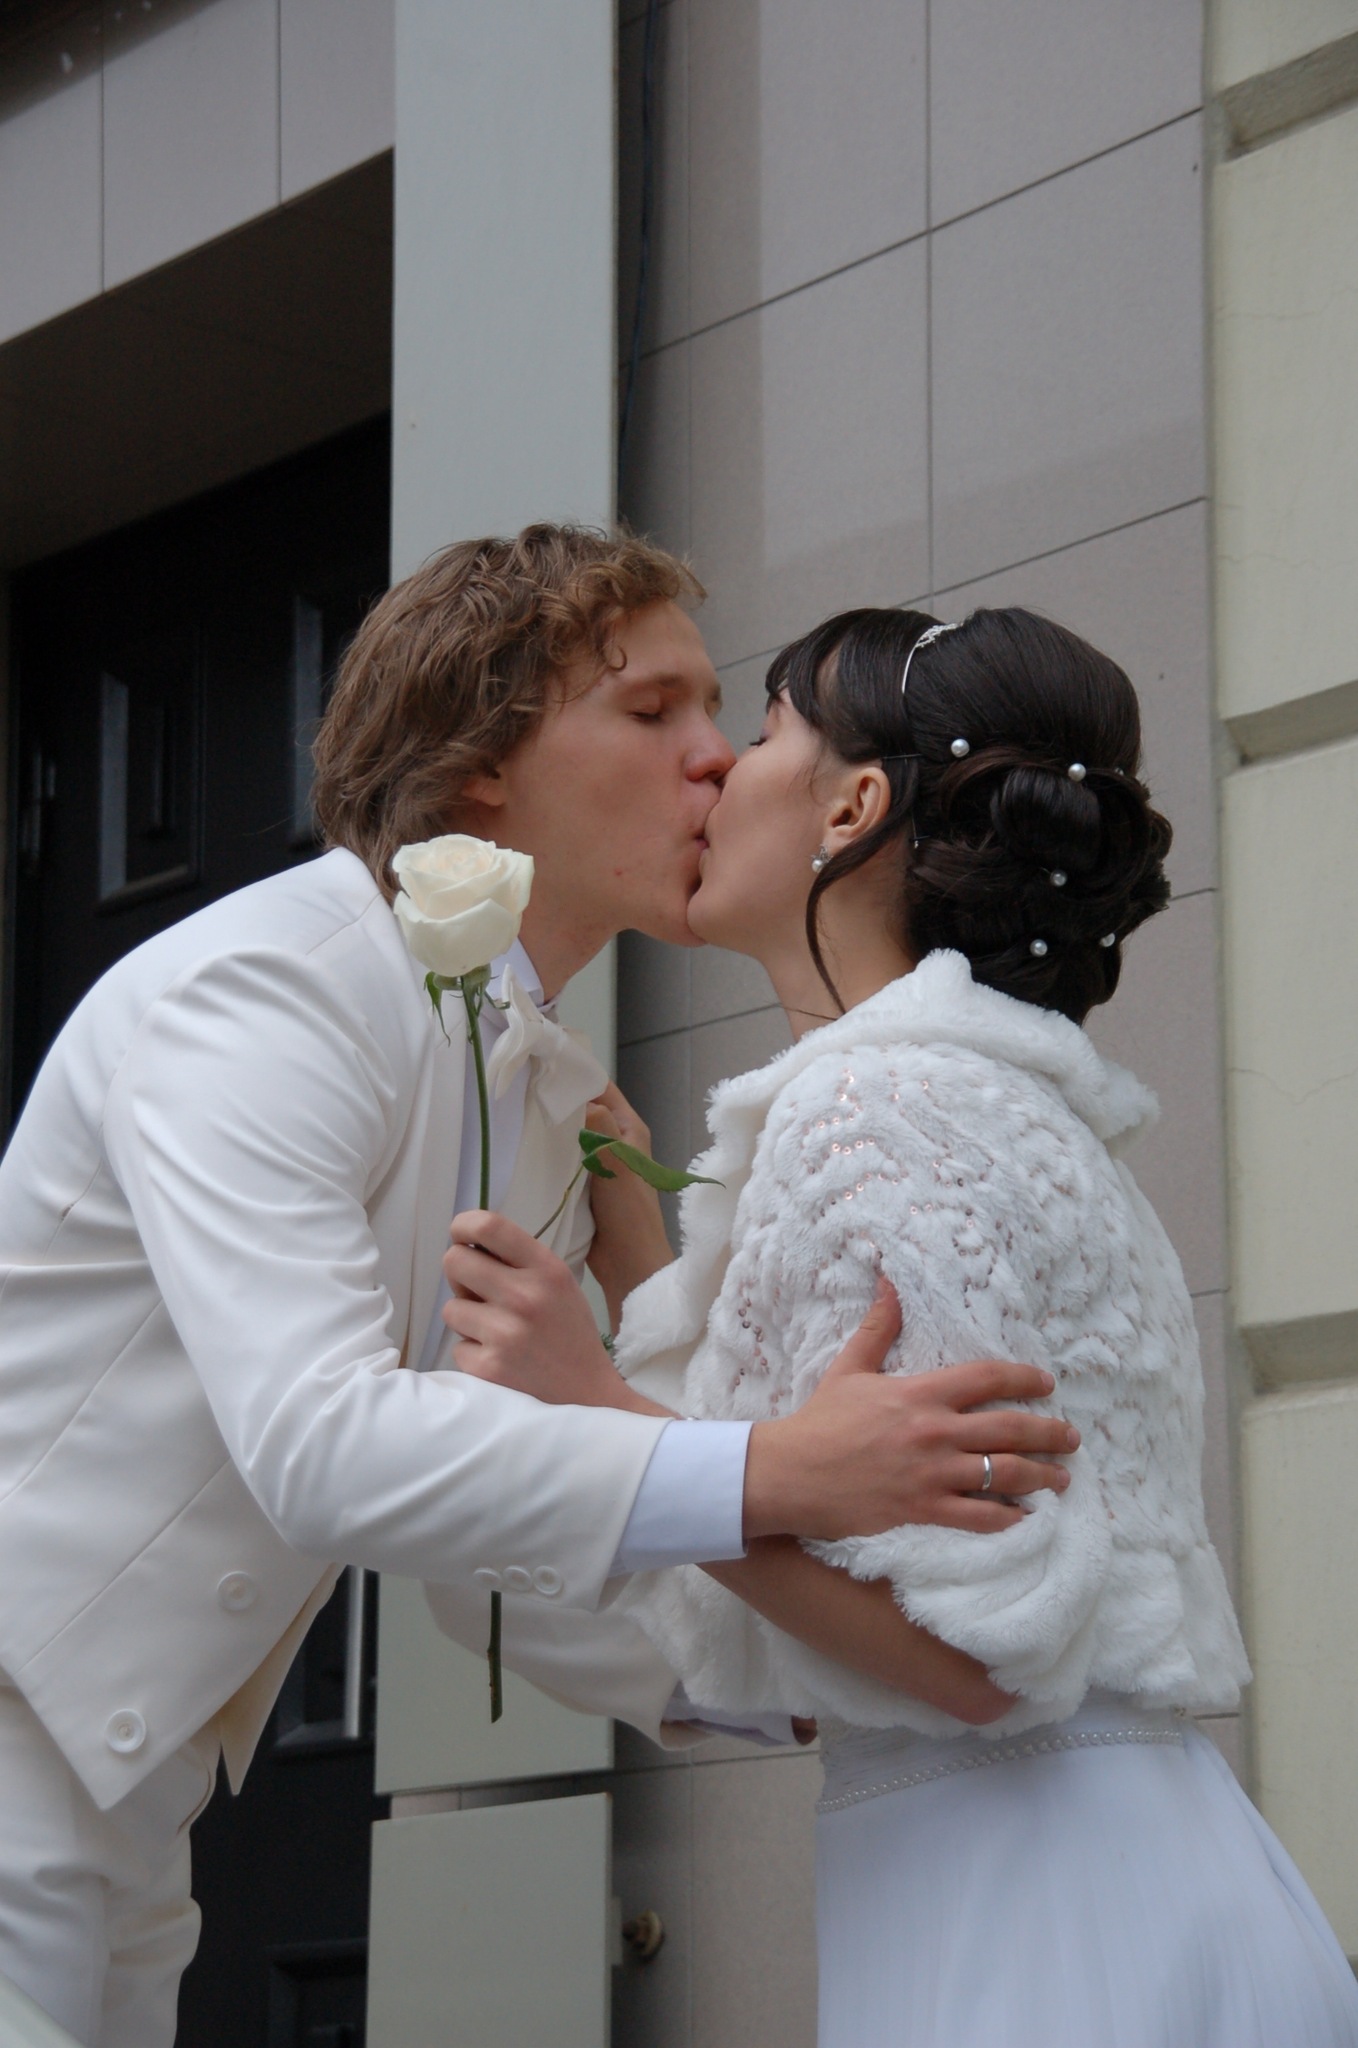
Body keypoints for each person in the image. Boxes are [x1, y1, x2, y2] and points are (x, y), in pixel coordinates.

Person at [0, 533, 1076, 2047]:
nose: (715, 757)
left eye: (716, 710)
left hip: (130, 1803)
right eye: (650, 710)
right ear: (477, 767)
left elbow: (487, 1553)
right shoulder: (266, 991)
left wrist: (813, 1676)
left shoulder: (549, 1098)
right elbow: (322, 1444)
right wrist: (774, 1470)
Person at [444, 604, 1358, 2047]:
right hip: (1112, 1865)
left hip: (1032, 1912)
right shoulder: (983, 1101)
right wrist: (643, 1264)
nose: (713, 768)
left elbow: (976, 1663)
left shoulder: (872, 1109)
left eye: (758, 733)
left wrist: (606, 1416)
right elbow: (867, 1512)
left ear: (851, 806)